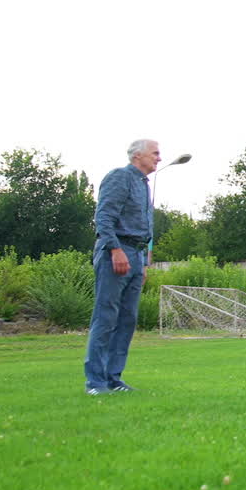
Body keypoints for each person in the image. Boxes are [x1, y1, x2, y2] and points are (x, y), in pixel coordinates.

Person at [84, 139, 160, 395]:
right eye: (155, 153)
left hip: (136, 255)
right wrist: (115, 249)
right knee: (106, 316)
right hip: (116, 251)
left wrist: (145, 260)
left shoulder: (143, 185)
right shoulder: (119, 177)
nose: (159, 158)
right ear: (138, 156)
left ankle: (114, 379)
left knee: (127, 319)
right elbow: (104, 217)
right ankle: (96, 383)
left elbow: (144, 226)